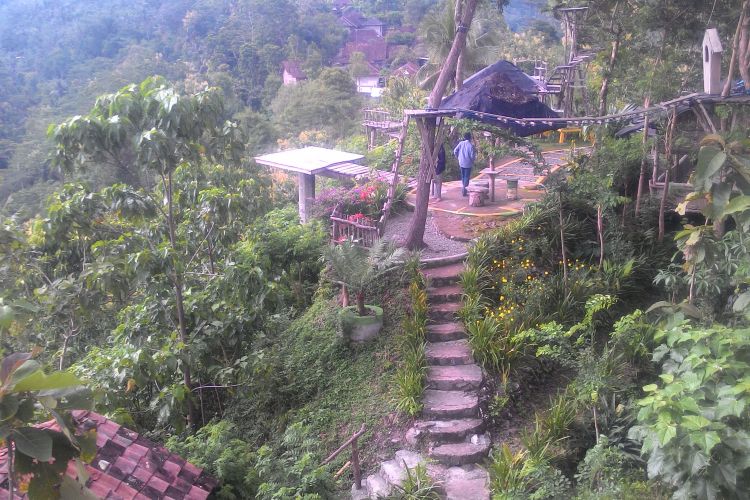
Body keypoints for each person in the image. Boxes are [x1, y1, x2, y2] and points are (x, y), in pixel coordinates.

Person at [453, 132, 476, 197]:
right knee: (466, 176)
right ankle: (464, 188)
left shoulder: (461, 143)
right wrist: (473, 161)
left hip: (461, 162)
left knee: (463, 176)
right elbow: (472, 156)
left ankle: (464, 188)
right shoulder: (471, 145)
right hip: (468, 163)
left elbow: (455, 151)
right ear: (470, 138)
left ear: (464, 137)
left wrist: (458, 157)